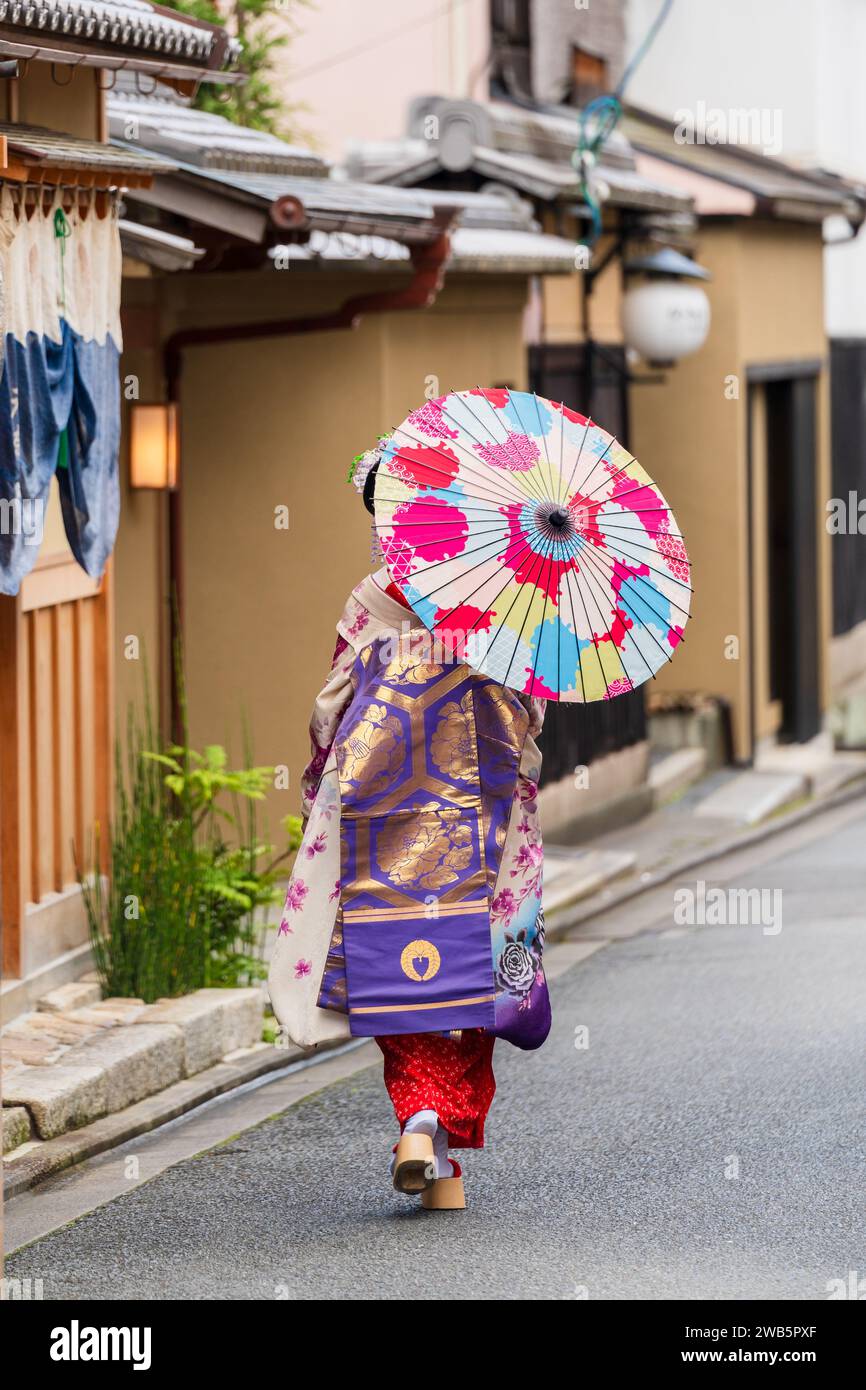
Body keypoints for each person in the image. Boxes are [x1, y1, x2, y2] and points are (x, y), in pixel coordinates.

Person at [268, 440, 551, 1210]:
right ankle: (439, 1144)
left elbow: (330, 706)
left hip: (384, 822)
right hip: (482, 821)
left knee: (398, 970)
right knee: (475, 974)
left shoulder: (375, 598)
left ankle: (424, 1135)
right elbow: (529, 709)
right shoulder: (498, 602)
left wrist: (325, 774)